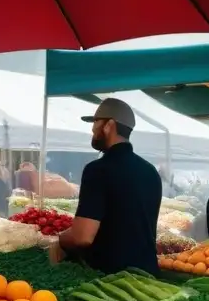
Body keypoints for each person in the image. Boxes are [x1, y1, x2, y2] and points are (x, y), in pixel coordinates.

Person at [50, 98, 161, 274]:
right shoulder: (150, 172)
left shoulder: (98, 170)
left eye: (95, 122)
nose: (93, 129)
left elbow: (83, 237)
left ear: (109, 125)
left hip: (111, 279)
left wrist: (60, 239)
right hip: (147, 273)